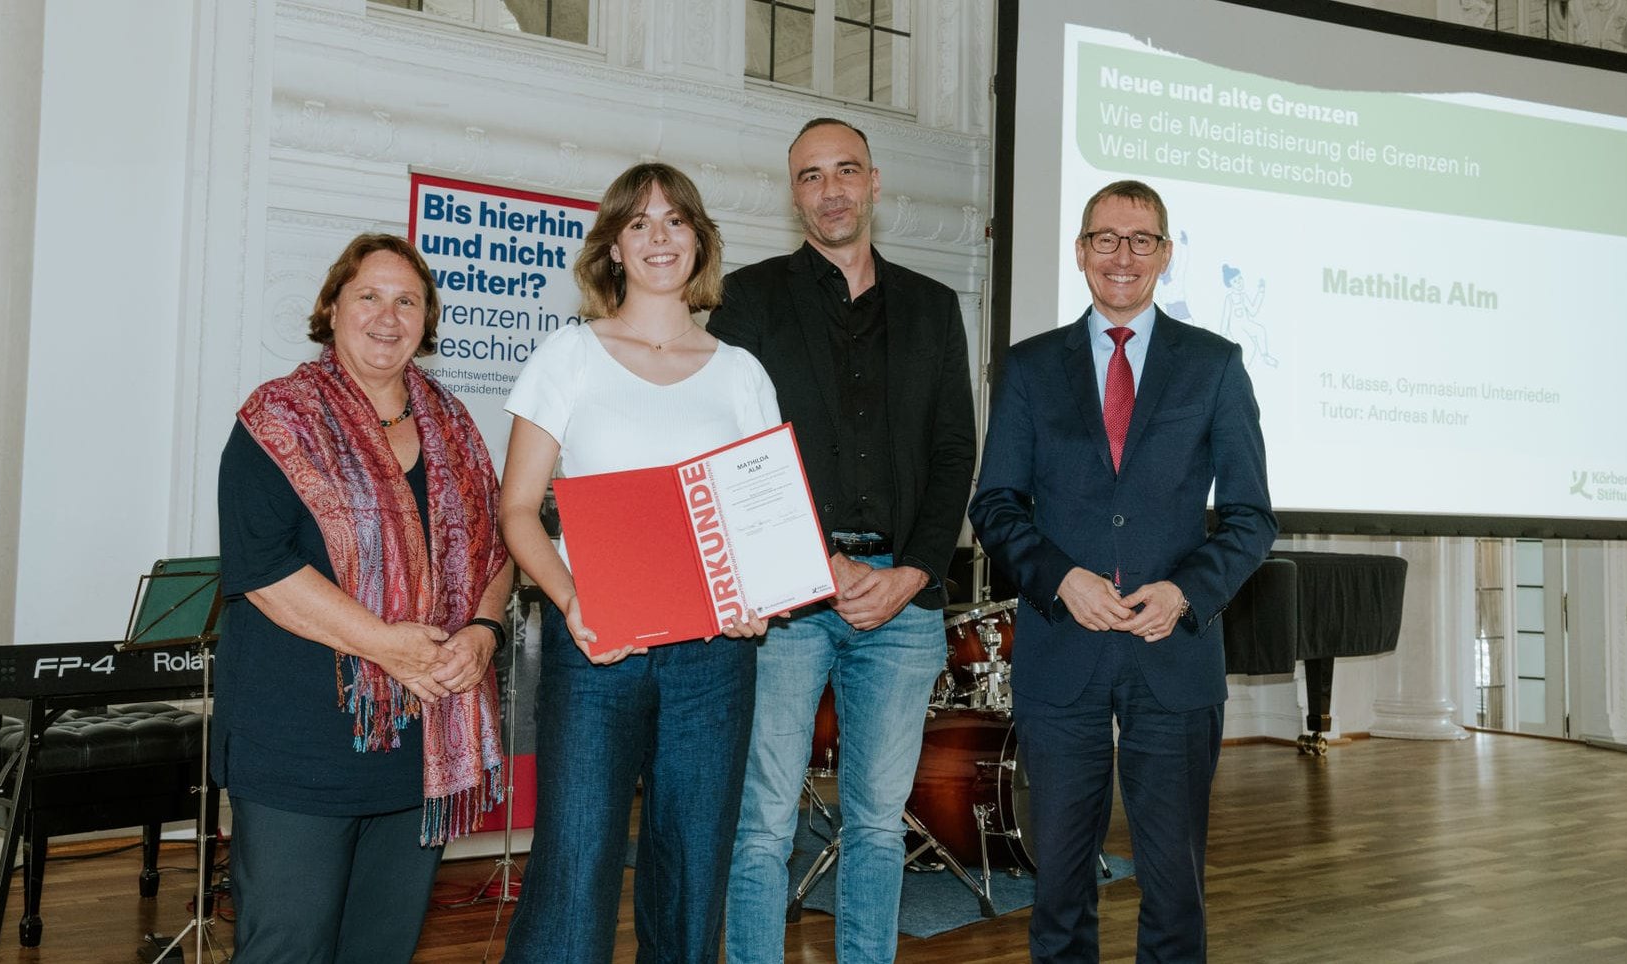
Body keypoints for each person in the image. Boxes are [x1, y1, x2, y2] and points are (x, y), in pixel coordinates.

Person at [968, 180, 1276, 963]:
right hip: (1060, 653)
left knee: (1174, 891)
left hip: (1173, 658)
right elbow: (995, 505)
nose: (1123, 255)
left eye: (1142, 240)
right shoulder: (1031, 367)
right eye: (1106, 238)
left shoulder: (1214, 366)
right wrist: (1059, 578)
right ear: (1081, 251)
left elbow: (1251, 518)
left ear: (1165, 255)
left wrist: (1185, 592)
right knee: (1059, 890)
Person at [497, 162, 781, 964]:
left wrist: (758, 596)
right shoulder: (569, 356)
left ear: (700, 241)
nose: (660, 237)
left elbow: (763, 519)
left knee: (693, 872)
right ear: (614, 248)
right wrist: (571, 600)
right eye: (640, 223)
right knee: (574, 868)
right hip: (597, 646)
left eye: (676, 220)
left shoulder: (742, 373)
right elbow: (516, 510)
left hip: (714, 658)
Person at [713, 117, 977, 963]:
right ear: (794, 194)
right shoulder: (748, 299)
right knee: (762, 823)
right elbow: (737, 447)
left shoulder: (934, 307)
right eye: (811, 176)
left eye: (846, 171)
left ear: (874, 182)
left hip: (902, 603)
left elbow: (954, 453)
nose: (831, 190)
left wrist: (914, 572)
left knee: (876, 824)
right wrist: (812, 561)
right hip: (786, 599)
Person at [214, 233, 512, 964]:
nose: (388, 316)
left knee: (382, 948)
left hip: (419, 745)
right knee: (287, 948)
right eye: (369, 296)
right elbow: (263, 570)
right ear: (332, 308)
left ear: (427, 319)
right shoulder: (278, 417)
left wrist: (483, 631)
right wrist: (388, 647)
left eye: (407, 300)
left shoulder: (454, 425)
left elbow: (496, 551)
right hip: (297, 744)